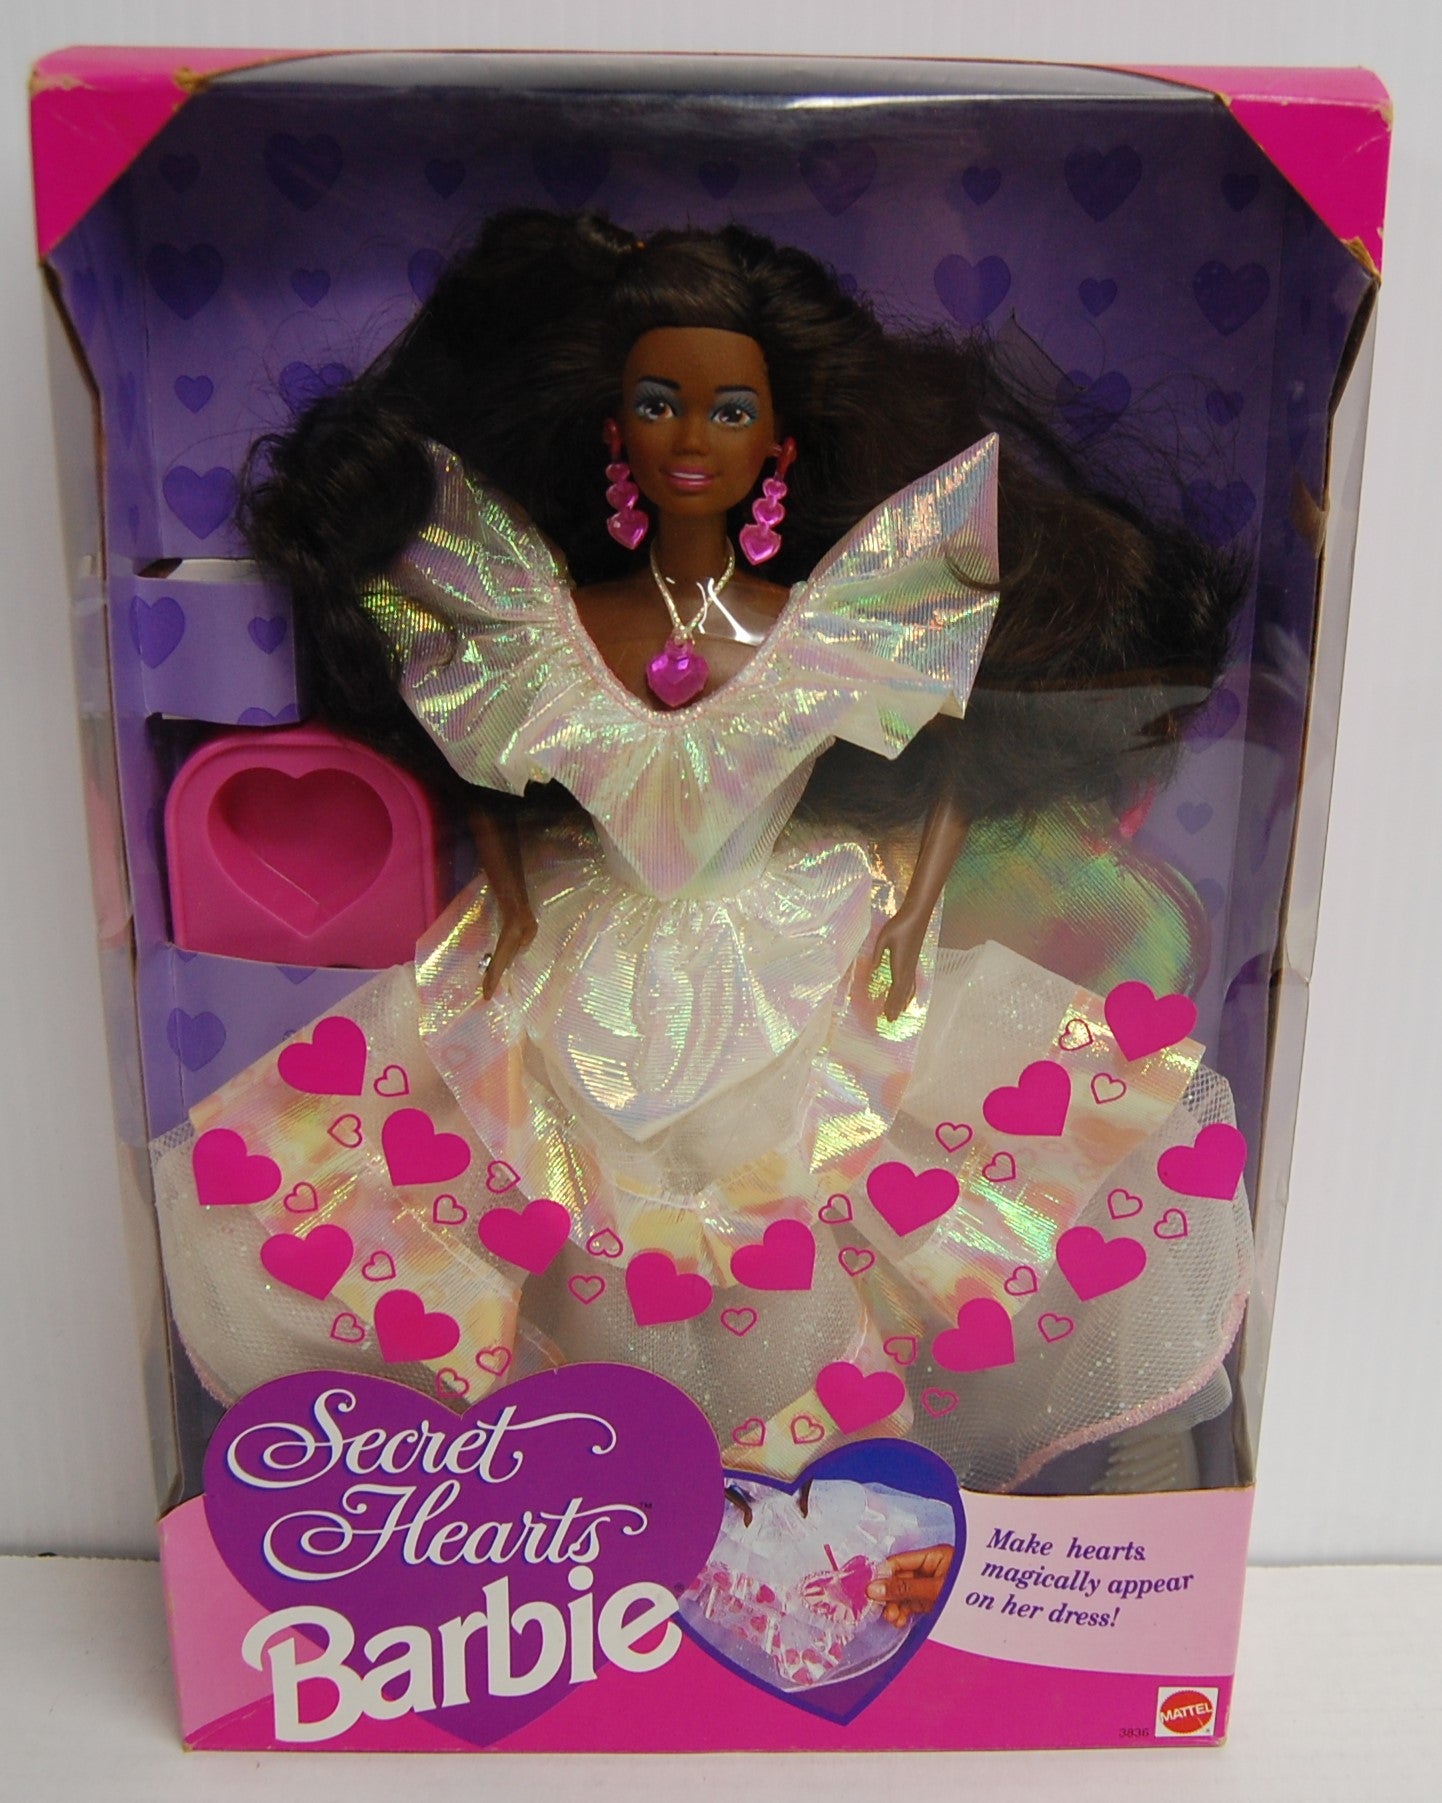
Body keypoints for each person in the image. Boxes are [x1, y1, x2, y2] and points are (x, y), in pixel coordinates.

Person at [151, 210, 1252, 1494]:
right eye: (657, 405)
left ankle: (866, 1480)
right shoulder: (543, 623)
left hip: (796, 930)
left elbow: (953, 750)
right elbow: (488, 771)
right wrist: (507, 902)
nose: (689, 438)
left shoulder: (835, 624)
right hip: (586, 939)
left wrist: (913, 914)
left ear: (776, 444)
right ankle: (577, 1478)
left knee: (849, 1168)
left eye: (727, 411)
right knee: (538, 1176)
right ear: (611, 431)